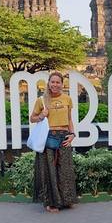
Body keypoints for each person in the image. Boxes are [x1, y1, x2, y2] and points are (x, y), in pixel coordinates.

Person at [29, 71, 78, 212]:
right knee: (48, 170)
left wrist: (72, 134)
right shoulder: (42, 100)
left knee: (65, 169)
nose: (55, 85)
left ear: (62, 84)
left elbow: (69, 119)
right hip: (48, 137)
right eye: (53, 82)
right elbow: (32, 118)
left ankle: (67, 200)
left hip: (64, 136)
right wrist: (41, 116)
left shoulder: (67, 99)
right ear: (48, 84)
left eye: (58, 82)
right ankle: (50, 203)